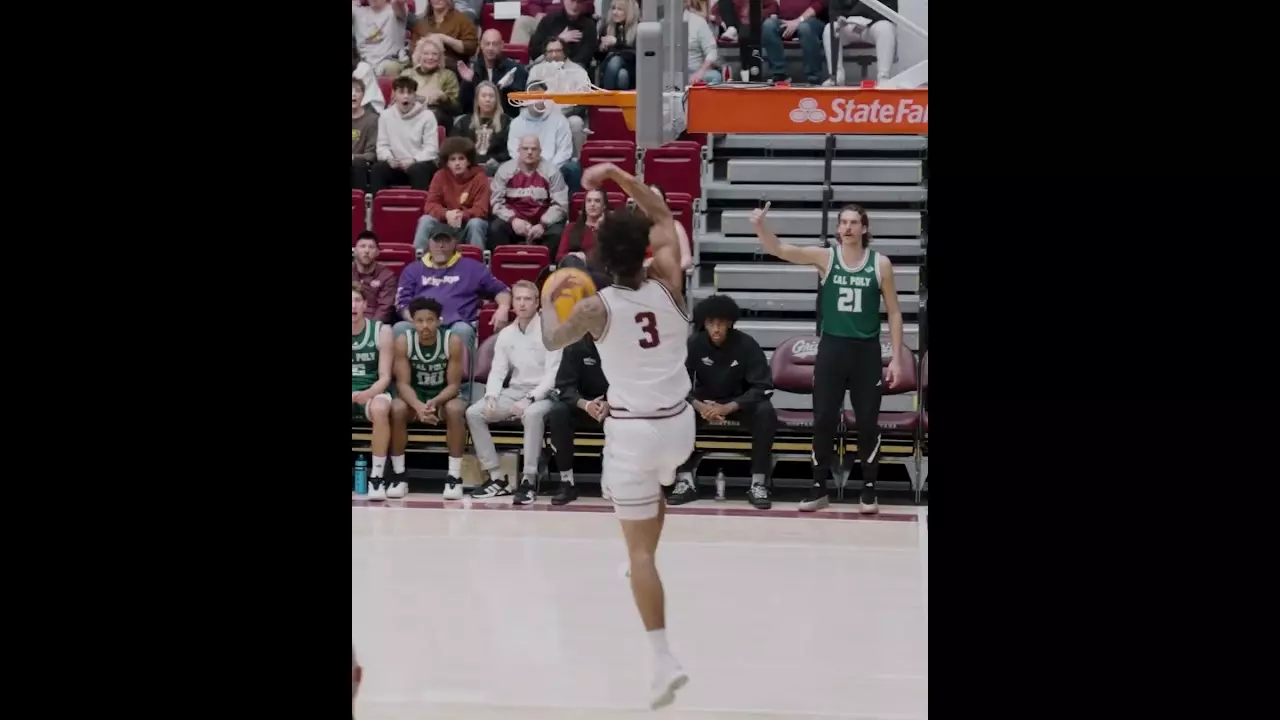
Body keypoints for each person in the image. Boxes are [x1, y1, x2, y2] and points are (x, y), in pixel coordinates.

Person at [538, 162, 692, 710]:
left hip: (632, 432)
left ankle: (662, 657)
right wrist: (618, 175)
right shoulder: (673, 278)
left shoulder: (593, 307)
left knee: (638, 551)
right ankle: (643, 546)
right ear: (645, 250)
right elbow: (664, 213)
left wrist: (547, 293)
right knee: (658, 489)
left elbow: (553, 340)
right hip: (681, 425)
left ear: (601, 259)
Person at [749, 202, 906, 514]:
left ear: (864, 228)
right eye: (843, 222)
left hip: (866, 352)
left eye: (853, 222)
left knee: (867, 422)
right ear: (838, 228)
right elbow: (779, 248)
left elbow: (895, 312)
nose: (847, 228)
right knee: (823, 419)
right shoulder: (826, 258)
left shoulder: (880, 264)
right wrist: (760, 227)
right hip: (832, 349)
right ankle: (819, 486)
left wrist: (898, 358)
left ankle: (869, 489)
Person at [672, 293, 777, 509]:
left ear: (730, 323)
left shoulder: (747, 345)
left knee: (765, 411)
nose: (716, 329)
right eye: (711, 323)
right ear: (704, 324)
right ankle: (684, 480)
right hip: (704, 404)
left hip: (738, 403)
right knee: (678, 410)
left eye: (721, 323)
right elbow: (675, 384)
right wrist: (698, 405)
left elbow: (762, 387)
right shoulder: (693, 344)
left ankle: (758, 483)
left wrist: (729, 407)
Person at [465, 280, 563, 503]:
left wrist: (530, 399)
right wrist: (491, 396)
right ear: (512, 304)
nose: (522, 303)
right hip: (516, 390)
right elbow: (498, 371)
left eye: (527, 299)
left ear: (537, 303)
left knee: (532, 414)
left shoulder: (551, 330)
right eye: (518, 299)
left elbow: (552, 376)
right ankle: (497, 478)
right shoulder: (507, 334)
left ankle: (528, 480)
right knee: (474, 412)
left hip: (546, 393)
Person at [391, 297, 469, 501]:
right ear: (413, 322)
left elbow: (453, 385)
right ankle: (399, 475)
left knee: (455, 410)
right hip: (414, 398)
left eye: (430, 320)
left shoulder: (452, 341)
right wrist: (417, 406)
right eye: (419, 320)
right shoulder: (403, 341)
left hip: (442, 396)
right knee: (397, 408)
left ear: (439, 321)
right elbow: (402, 384)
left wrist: (434, 402)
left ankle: (454, 476)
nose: (425, 325)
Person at [352, 282, 402, 501]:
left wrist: (367, 393)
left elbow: (385, 376)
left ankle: (377, 476)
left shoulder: (382, 331)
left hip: (371, 391)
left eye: (356, 300)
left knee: (381, 408)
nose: (352, 305)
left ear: (364, 304)